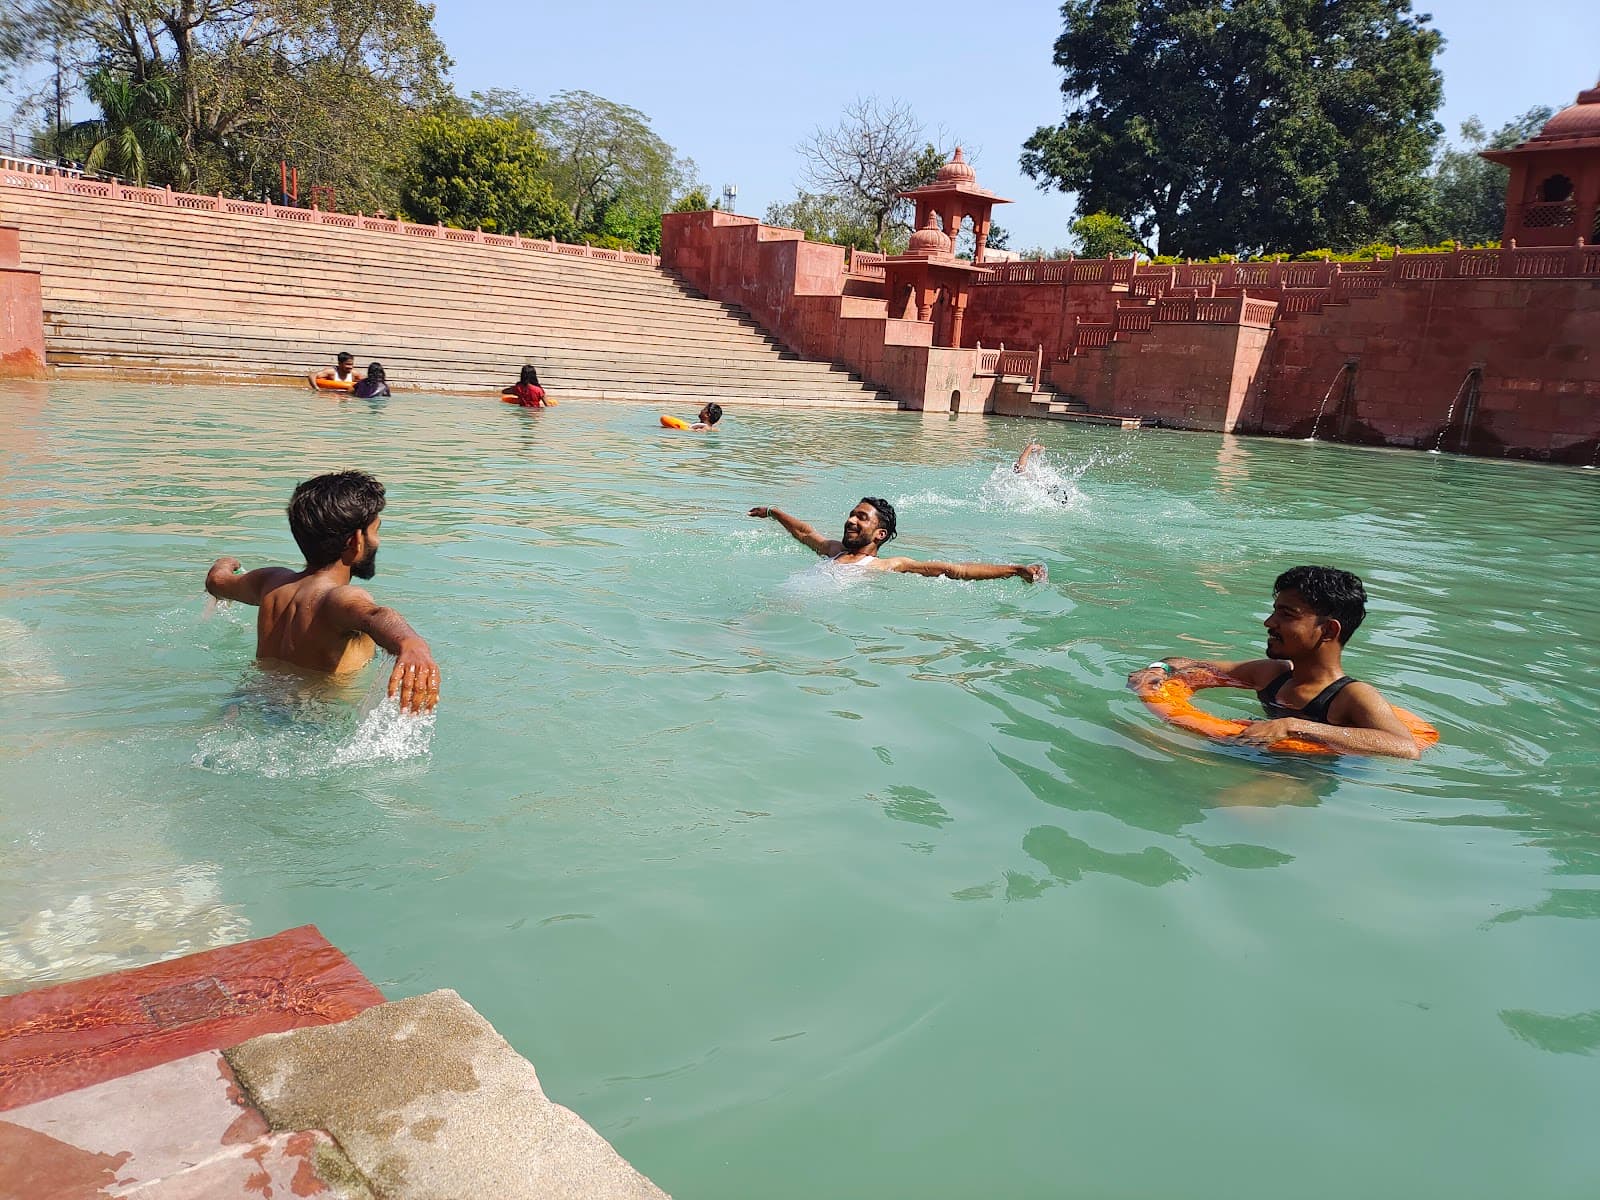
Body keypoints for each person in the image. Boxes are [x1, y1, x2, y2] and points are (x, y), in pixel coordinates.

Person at [204, 470, 440, 713]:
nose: (378, 541)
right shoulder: (338, 598)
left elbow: (216, 581)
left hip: (248, 701)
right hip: (310, 718)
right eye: (376, 531)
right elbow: (374, 616)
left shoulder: (271, 582)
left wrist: (225, 562)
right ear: (356, 542)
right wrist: (412, 643)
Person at [1125, 565, 1420, 758]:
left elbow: (1404, 747)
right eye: (1274, 611)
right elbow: (1187, 665)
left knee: (1238, 810)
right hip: (1250, 750)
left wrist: (1292, 727)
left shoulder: (1352, 695)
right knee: (1132, 738)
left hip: (1306, 775)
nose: (1269, 622)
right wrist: (1157, 669)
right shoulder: (1270, 674)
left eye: (1286, 614)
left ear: (1328, 630)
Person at [749, 497, 1045, 582]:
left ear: (880, 534)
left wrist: (1015, 570)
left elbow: (956, 570)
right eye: (852, 514)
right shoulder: (833, 551)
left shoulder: (888, 565)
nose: (851, 520)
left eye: (861, 518)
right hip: (776, 604)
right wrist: (773, 512)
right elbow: (804, 532)